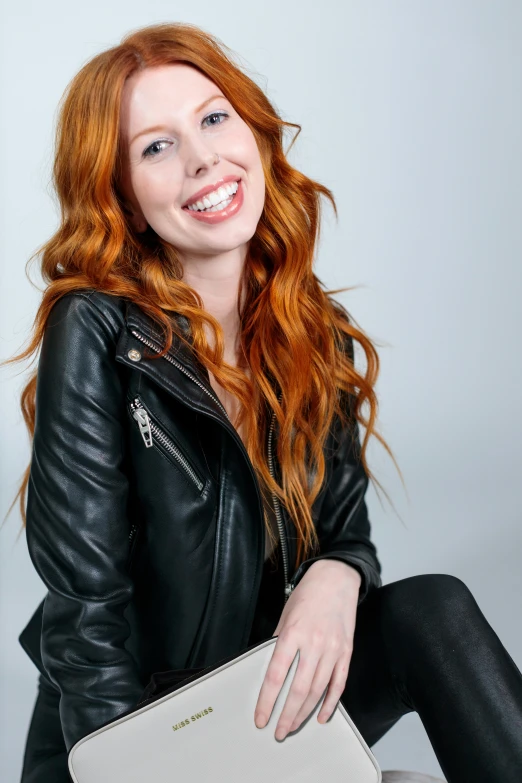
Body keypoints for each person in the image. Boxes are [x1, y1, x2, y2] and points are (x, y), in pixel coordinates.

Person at [5, 21, 522, 783]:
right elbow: (88, 619)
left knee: (431, 612)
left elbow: (349, 532)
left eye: (214, 118)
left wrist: (334, 575)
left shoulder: (313, 332)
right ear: (125, 201)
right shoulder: (96, 329)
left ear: (251, 132)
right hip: (143, 738)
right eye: (156, 147)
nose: (203, 156)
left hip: (259, 706)